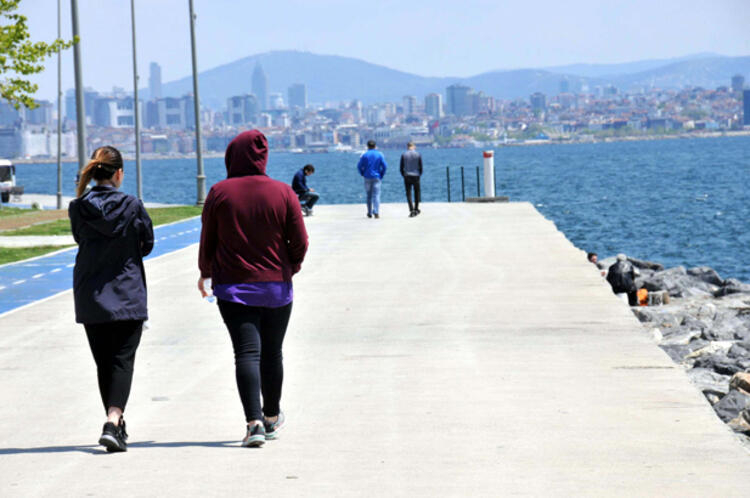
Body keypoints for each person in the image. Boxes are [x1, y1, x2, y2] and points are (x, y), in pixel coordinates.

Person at [198, 130, 308, 447]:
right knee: (272, 353)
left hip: (233, 287)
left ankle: (254, 422)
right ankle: (272, 416)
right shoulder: (284, 192)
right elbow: (300, 241)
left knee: (246, 353)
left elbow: (209, 240)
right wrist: (290, 267)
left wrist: (205, 273)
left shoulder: (219, 192)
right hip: (276, 287)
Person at [68, 146, 154, 453]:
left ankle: (115, 426)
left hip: (91, 294)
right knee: (121, 361)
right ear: (118, 174)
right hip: (127, 292)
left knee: (104, 363)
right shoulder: (133, 205)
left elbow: (80, 238)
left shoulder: (78, 207)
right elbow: (147, 244)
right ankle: (113, 420)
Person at [357, 140, 387, 218]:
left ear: (367, 146)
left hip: (367, 177)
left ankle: (369, 212)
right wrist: (381, 174)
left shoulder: (364, 155)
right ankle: (376, 211)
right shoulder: (379, 155)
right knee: (376, 195)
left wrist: (362, 173)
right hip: (377, 177)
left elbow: (359, 166)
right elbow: (384, 166)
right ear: (375, 146)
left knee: (368, 195)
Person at [400, 141, 423, 217]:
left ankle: (411, 209)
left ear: (407, 146)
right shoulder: (418, 154)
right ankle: (416, 208)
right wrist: (419, 174)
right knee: (417, 193)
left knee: (408, 193)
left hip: (407, 175)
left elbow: (401, 167)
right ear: (414, 146)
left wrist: (403, 174)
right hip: (416, 175)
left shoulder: (403, 155)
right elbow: (421, 166)